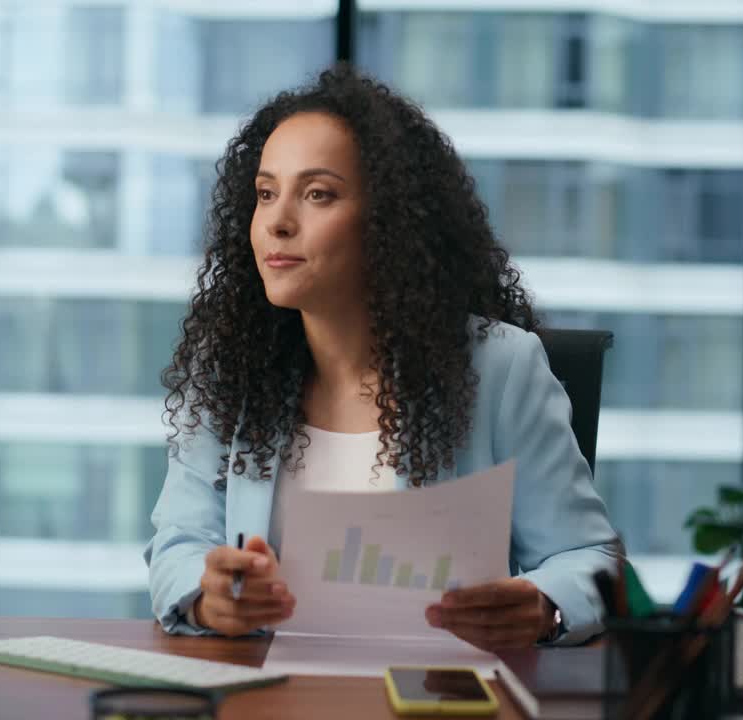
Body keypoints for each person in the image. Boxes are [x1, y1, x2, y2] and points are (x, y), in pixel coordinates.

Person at [144, 64, 621, 650]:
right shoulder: (232, 372)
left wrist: (546, 604)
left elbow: (590, 558)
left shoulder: (500, 368)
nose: (277, 221)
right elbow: (176, 545)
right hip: (268, 698)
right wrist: (207, 593)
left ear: (388, 220)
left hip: (434, 699)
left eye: (317, 194)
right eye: (266, 193)